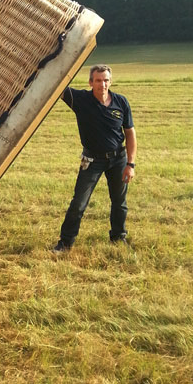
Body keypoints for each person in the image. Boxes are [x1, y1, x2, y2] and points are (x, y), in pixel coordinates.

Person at [52, 64, 136, 252]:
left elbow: (130, 133)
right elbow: (57, 85)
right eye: (98, 80)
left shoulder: (121, 102)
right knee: (79, 202)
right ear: (91, 82)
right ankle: (65, 243)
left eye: (106, 80)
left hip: (118, 158)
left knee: (119, 202)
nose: (102, 84)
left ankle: (118, 237)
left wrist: (130, 164)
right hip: (92, 160)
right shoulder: (80, 99)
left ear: (110, 82)